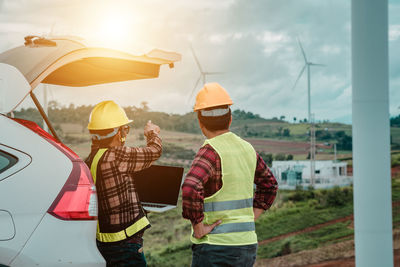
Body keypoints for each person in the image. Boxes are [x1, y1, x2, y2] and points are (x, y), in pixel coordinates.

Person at [181, 83, 278, 267]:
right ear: (230, 119)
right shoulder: (247, 148)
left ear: (200, 122)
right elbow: (270, 185)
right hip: (246, 246)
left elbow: (190, 187)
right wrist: (251, 216)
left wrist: (198, 226)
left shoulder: (210, 151)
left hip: (216, 248)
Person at [85, 100, 161, 267]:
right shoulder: (116, 155)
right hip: (124, 243)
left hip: (103, 242)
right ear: (119, 133)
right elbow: (154, 152)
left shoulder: (91, 159)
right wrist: (152, 134)